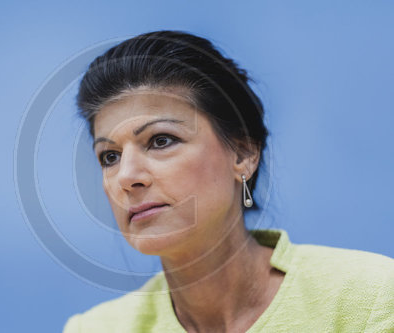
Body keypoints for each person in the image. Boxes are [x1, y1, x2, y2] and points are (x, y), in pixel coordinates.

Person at [63, 30, 394, 332]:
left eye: (161, 140)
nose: (127, 177)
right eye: (109, 156)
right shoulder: (95, 328)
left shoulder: (368, 298)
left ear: (243, 155)